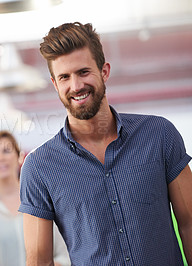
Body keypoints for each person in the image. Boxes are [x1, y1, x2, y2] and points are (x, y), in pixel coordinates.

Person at [18, 22, 192, 265]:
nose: (76, 86)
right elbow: (39, 262)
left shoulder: (158, 134)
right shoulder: (39, 168)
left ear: (104, 71)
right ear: (55, 84)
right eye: (64, 77)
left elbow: (189, 223)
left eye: (83, 72)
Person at [0, 131, 70, 266]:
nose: (1, 157)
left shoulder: (42, 200)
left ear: (19, 156)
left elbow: (65, 255)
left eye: (6, 151)